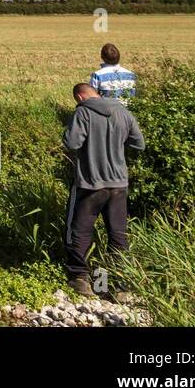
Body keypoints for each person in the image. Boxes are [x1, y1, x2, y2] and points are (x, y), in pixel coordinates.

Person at [63, 82, 145, 297]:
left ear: (80, 97)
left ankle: (80, 279)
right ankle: (121, 285)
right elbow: (139, 143)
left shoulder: (82, 113)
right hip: (119, 184)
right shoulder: (122, 110)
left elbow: (72, 143)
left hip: (90, 183)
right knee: (118, 233)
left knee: (79, 230)